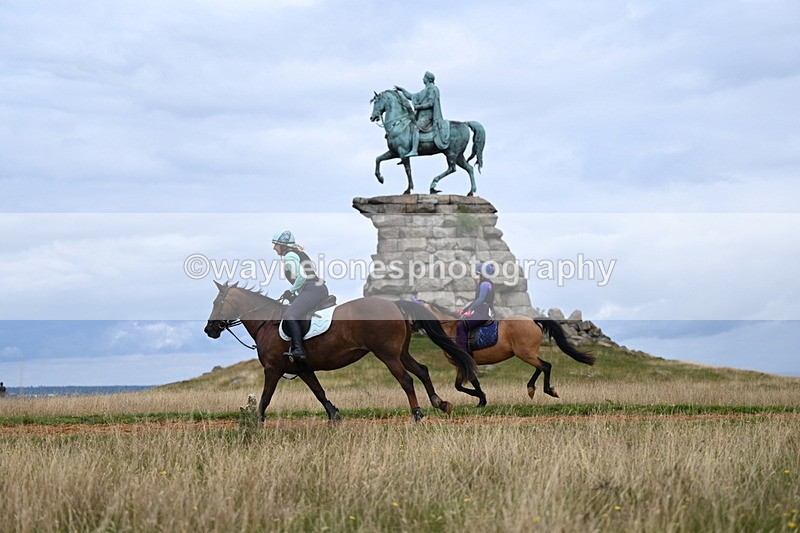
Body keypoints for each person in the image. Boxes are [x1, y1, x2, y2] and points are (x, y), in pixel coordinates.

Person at [272, 230, 329, 363]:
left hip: (312, 289)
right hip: (317, 288)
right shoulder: (299, 253)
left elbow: (302, 276)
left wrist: (291, 290)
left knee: (289, 315)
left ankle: (298, 350)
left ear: (282, 245)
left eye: (275, 244)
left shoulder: (289, 257)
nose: (274, 248)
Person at [394, 71, 450, 158]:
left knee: (416, 127)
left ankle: (414, 150)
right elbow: (411, 96)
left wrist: (419, 107)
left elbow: (431, 103)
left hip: (428, 117)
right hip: (421, 116)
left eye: (424, 77)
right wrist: (402, 90)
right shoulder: (424, 91)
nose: (422, 79)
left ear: (427, 79)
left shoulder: (432, 89)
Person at [456, 262, 497, 353]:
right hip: (482, 311)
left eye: (477, 274)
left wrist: (470, 310)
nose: (475, 276)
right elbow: (476, 301)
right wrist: (464, 310)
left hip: (483, 313)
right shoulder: (486, 283)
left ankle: (463, 354)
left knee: (461, 326)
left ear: (482, 274)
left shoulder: (484, 284)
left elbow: (480, 300)